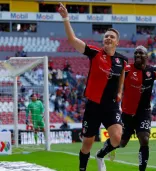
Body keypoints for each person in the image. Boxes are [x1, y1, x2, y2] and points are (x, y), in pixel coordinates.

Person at [58, 3, 128, 171]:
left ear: (117, 42)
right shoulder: (95, 53)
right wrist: (66, 18)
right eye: (106, 36)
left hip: (111, 106)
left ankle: (101, 155)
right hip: (93, 106)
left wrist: (119, 91)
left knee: (118, 138)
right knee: (87, 144)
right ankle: (82, 169)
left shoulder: (122, 60)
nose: (108, 38)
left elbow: (122, 76)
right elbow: (72, 40)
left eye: (111, 36)